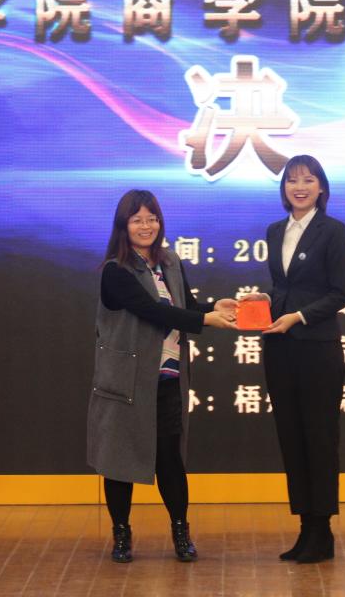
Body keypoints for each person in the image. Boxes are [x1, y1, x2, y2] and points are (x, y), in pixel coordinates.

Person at [86, 189, 237, 564]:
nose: (146, 226)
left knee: (170, 460)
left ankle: (181, 532)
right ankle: (122, 535)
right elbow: (152, 311)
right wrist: (206, 320)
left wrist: (212, 307)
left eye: (152, 218)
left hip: (166, 379)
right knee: (118, 463)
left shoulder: (170, 262)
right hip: (125, 381)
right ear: (123, 225)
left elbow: (183, 306)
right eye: (137, 219)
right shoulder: (115, 271)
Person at [261, 155, 345, 563]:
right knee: (291, 437)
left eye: (308, 180)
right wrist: (265, 301)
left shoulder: (332, 231)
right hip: (280, 348)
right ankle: (304, 528)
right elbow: (284, 286)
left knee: (319, 437)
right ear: (284, 188)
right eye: (292, 180)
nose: (299, 187)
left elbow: (341, 293)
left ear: (321, 187)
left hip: (317, 347)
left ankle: (322, 530)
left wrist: (297, 316)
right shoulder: (274, 231)